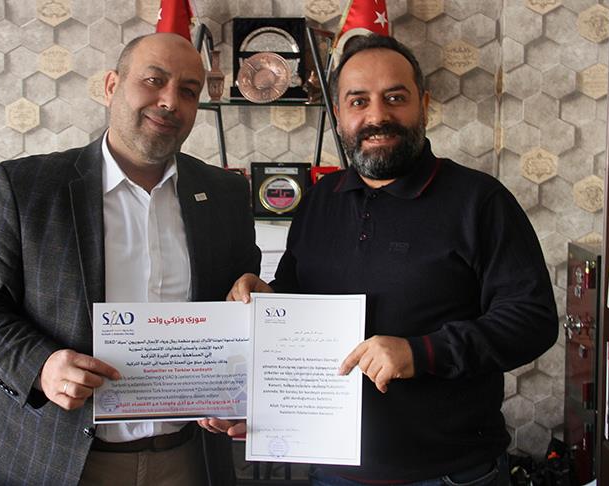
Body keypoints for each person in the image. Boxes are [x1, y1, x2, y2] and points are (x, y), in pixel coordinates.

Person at [201, 35, 558, 485]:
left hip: (449, 474)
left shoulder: (479, 200)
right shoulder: (320, 200)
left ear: (423, 104)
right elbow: (298, 299)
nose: (376, 116)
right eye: (358, 101)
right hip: (332, 470)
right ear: (338, 114)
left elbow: (532, 320)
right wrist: (267, 298)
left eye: (395, 98)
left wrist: (420, 352)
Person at [0, 33, 260, 486]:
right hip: (57, 460)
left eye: (189, 91)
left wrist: (251, 326)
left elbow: (241, 304)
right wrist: (41, 366)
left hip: (189, 460)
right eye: (153, 80)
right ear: (112, 85)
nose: (170, 101)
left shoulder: (226, 194)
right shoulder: (30, 186)